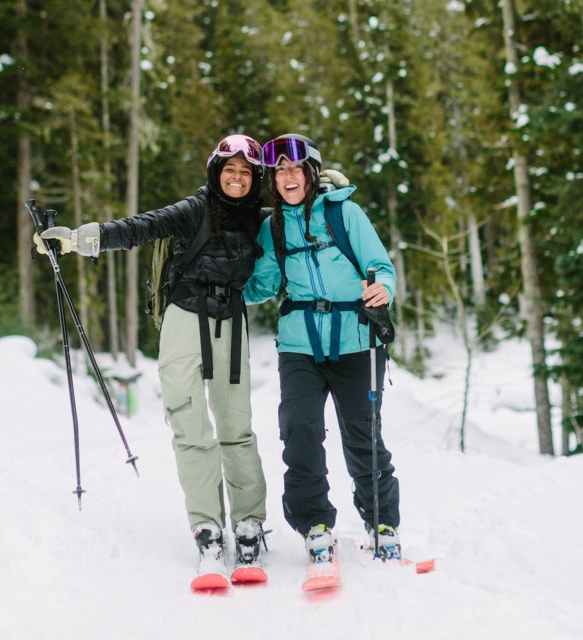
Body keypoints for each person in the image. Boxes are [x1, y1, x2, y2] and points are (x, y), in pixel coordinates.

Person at [34, 135, 270, 581]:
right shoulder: (194, 210)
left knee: (237, 427)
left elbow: (301, 218)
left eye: (246, 172)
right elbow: (140, 227)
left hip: (231, 322)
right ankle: (207, 528)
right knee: (189, 423)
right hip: (184, 318)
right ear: (215, 173)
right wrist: (77, 240)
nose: (237, 179)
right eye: (229, 170)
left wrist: (327, 191)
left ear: (254, 179)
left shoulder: (262, 220)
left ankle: (250, 525)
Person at [244, 133, 403, 575]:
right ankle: (314, 523)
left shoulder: (344, 213)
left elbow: (382, 267)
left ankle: (382, 523)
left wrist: (382, 287)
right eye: (279, 172)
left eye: (295, 170)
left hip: (357, 342)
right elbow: (260, 286)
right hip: (300, 346)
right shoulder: (271, 226)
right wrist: (221, 276)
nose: (287, 178)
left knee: (362, 435)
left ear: (311, 173)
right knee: (300, 430)